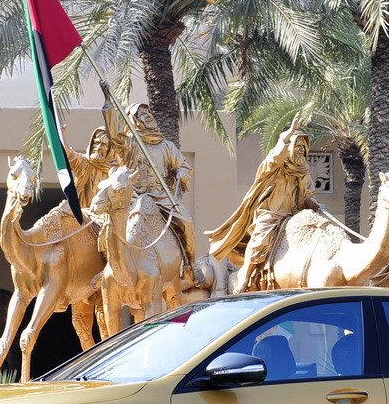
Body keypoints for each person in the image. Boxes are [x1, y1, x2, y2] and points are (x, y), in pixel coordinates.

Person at [206, 116, 318, 291]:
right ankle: (245, 276)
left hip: (295, 214)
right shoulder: (274, 167)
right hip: (272, 214)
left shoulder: (304, 171)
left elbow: (307, 194)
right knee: (261, 239)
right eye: (297, 146)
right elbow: (275, 157)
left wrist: (313, 203)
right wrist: (288, 134)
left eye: (303, 147)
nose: (300, 150)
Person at [103, 98, 195, 276]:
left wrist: (182, 172)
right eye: (141, 114)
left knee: (187, 223)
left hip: (163, 197)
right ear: (134, 121)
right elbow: (114, 136)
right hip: (135, 197)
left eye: (147, 112)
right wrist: (108, 105)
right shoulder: (130, 143)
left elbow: (183, 165)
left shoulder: (167, 146)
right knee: (109, 223)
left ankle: (190, 263)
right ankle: (108, 266)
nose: (147, 116)